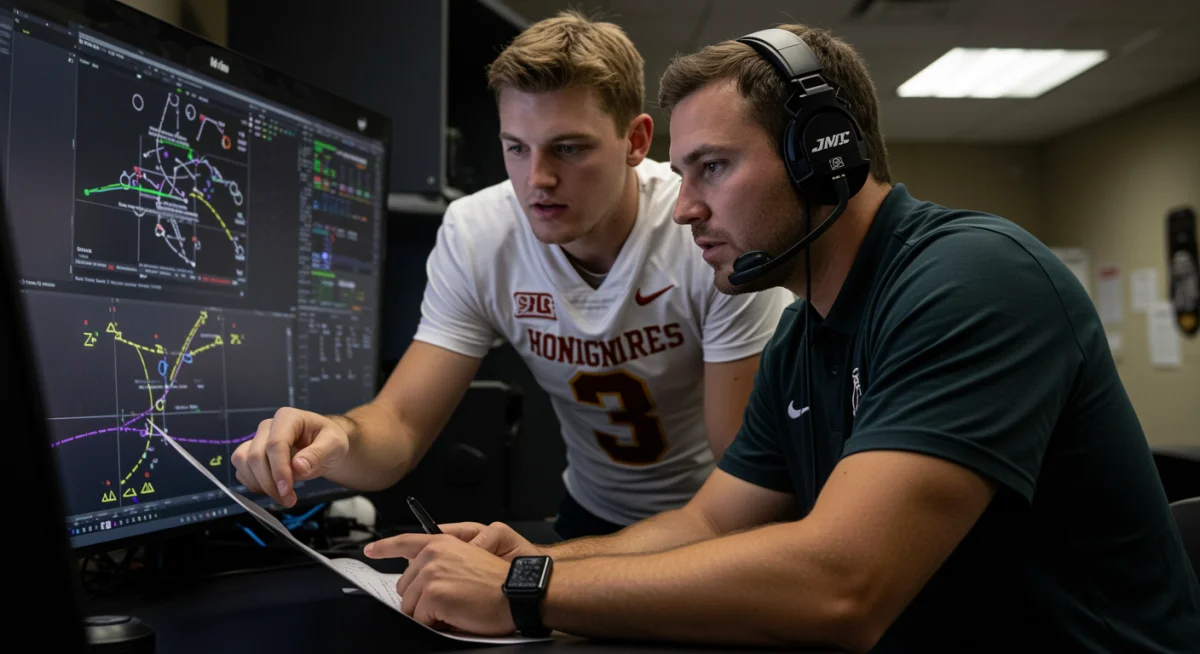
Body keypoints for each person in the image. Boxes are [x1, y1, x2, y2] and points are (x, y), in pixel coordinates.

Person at [360, 22, 1200, 653]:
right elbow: (713, 526)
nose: (684, 206)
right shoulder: (806, 338)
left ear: (823, 159)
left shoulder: (973, 280)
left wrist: (527, 587)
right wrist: (542, 558)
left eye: (713, 169)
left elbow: (844, 585)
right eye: (681, 174)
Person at [230, 11, 791, 541]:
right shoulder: (478, 232)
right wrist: (335, 438)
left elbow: (741, 468)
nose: (537, 179)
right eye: (516, 148)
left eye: (568, 149)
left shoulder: (707, 232)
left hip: (716, 520)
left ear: (636, 141)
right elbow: (398, 426)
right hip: (590, 511)